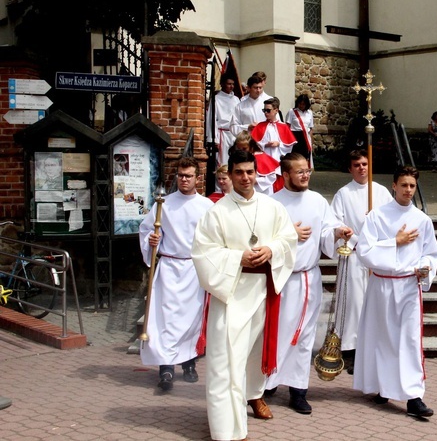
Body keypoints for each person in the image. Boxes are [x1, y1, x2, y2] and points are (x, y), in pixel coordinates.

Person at [191, 148, 298, 440]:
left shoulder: (272, 206)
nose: (245, 177)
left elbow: (287, 238)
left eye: (250, 171)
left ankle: (253, 399)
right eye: (239, 172)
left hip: (263, 292)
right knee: (226, 363)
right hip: (231, 295)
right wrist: (238, 258)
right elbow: (203, 253)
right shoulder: (217, 213)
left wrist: (272, 249)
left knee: (252, 360)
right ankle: (226, 431)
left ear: (256, 172)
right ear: (229, 174)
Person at [263, 153, 352, 415]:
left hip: (308, 277)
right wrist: (290, 234)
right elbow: (263, 239)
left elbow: (327, 230)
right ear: (285, 175)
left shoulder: (317, 201)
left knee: (304, 337)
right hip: (281, 280)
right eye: (299, 172)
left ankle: (298, 391)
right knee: (277, 334)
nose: (305, 176)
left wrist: (337, 232)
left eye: (307, 171)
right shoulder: (272, 204)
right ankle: (268, 384)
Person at [353, 166, 437, 419]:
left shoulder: (422, 220)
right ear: (394, 185)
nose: (408, 190)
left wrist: (425, 268)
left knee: (409, 341)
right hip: (381, 285)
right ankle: (383, 386)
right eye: (404, 185)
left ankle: (414, 397)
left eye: (412, 186)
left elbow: (431, 253)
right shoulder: (377, 216)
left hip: (407, 286)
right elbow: (364, 251)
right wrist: (395, 242)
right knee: (382, 338)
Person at [138, 156, 213, 391]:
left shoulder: (207, 207)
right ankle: (166, 369)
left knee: (191, 319)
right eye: (180, 175)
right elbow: (147, 229)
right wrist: (152, 241)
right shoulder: (164, 204)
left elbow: (214, 239)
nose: (184, 179)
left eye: (189, 176)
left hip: (193, 269)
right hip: (170, 268)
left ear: (198, 178)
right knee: (167, 320)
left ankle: (189, 363)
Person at [330, 149, 394, 374]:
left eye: (365, 164)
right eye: (356, 165)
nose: (362, 168)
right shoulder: (343, 194)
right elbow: (335, 223)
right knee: (355, 302)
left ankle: (374, 347)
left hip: (377, 256)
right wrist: (356, 239)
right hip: (355, 255)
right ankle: (351, 351)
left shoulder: (381, 192)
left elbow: (393, 220)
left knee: (375, 302)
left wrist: (377, 228)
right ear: (350, 169)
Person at [233, 130, 284, 195]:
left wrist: (256, 181)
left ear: (251, 147)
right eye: (239, 149)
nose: (242, 151)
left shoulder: (261, 157)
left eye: (244, 148)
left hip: (264, 192)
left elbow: (272, 177)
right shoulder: (239, 158)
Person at [206, 75, 240, 167]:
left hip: (234, 134)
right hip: (222, 134)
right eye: (229, 84)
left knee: (235, 162)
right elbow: (212, 119)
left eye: (233, 84)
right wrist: (214, 139)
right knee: (223, 163)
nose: (231, 86)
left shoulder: (236, 99)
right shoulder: (216, 99)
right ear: (222, 84)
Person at [251, 97, 297, 162]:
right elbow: (253, 144)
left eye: (268, 110)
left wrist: (279, 144)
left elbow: (289, 146)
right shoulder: (260, 126)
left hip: (278, 159)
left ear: (276, 110)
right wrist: (265, 145)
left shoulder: (283, 126)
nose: (266, 113)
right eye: (264, 110)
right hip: (264, 159)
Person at [285, 93, 314, 168]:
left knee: (305, 158)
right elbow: (287, 127)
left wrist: (311, 143)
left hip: (306, 138)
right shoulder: (292, 112)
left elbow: (311, 129)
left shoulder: (310, 113)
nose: (301, 106)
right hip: (295, 136)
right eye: (300, 103)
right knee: (295, 157)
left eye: (303, 104)